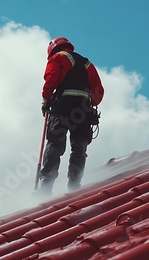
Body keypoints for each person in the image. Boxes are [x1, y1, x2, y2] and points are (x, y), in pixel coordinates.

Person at [37, 37, 104, 196]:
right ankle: (74, 184)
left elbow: (51, 80)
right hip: (83, 109)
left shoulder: (58, 57)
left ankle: (46, 187)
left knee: (55, 143)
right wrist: (88, 102)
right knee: (79, 146)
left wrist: (45, 101)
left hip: (62, 106)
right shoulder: (87, 63)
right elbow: (98, 92)